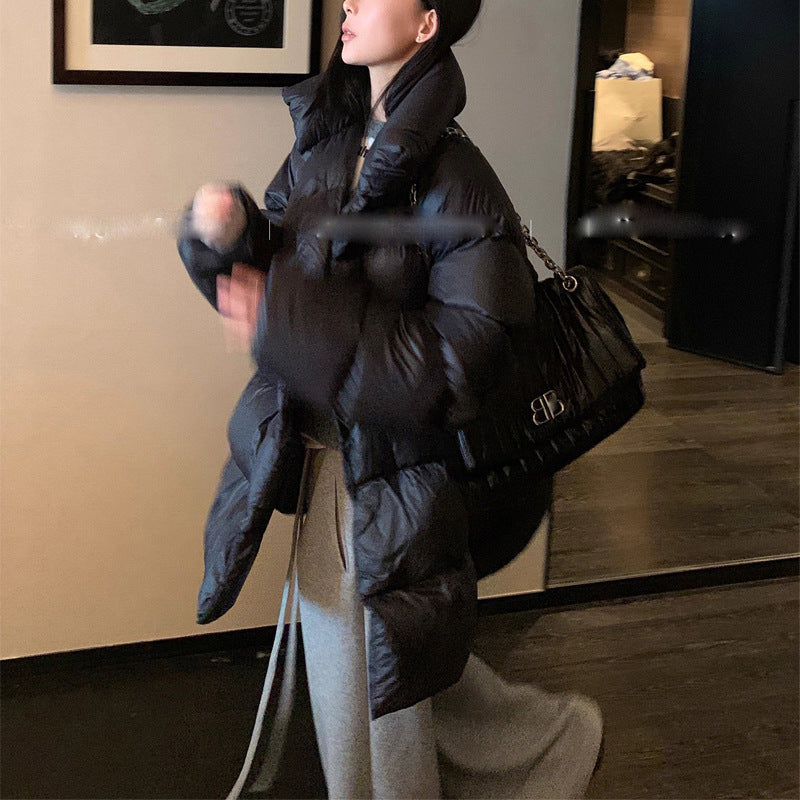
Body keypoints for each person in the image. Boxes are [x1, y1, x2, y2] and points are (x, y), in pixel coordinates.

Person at [179, 1, 604, 797]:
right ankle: (553, 744)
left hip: (389, 479)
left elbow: (460, 363)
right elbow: (285, 277)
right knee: (386, 679)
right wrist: (229, 239)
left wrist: (289, 319)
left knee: (374, 712)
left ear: (426, 23)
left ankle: (553, 745)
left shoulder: (459, 179)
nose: (350, 2)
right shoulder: (329, 147)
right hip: (322, 465)